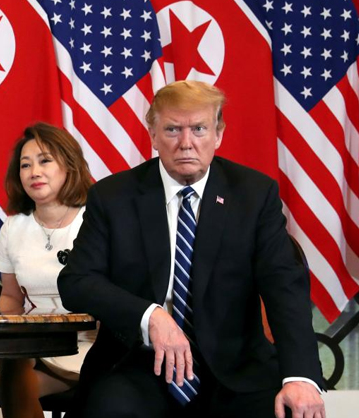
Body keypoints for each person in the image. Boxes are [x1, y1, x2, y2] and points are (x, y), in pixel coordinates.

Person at [57, 81, 325, 418]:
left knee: (285, 408)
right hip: (139, 366)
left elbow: (284, 289)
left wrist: (300, 377)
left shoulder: (254, 196)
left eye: (199, 129)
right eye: (172, 129)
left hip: (237, 370)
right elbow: (77, 281)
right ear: (152, 134)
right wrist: (149, 315)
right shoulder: (113, 197)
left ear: (218, 134)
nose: (186, 143)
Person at [0, 122, 95, 418]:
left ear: (69, 165)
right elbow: (10, 297)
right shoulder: (13, 227)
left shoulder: (96, 219)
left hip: (92, 344)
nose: (34, 172)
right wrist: (7, 331)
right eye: (25, 165)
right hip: (35, 347)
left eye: (45, 161)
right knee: (12, 361)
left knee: (15, 370)